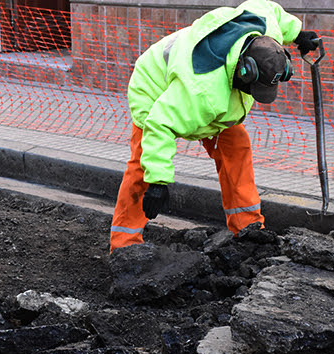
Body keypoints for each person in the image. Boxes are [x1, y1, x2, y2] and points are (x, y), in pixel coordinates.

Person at [109, 0, 320, 252]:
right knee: (144, 165)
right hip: (154, 86)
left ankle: (247, 228)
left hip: (206, 88)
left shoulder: (265, 29)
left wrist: (297, 35)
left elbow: (268, 8)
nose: (255, 94)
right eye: (254, 88)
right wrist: (158, 181)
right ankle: (124, 244)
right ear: (244, 71)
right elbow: (159, 124)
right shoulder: (201, 91)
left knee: (236, 147)